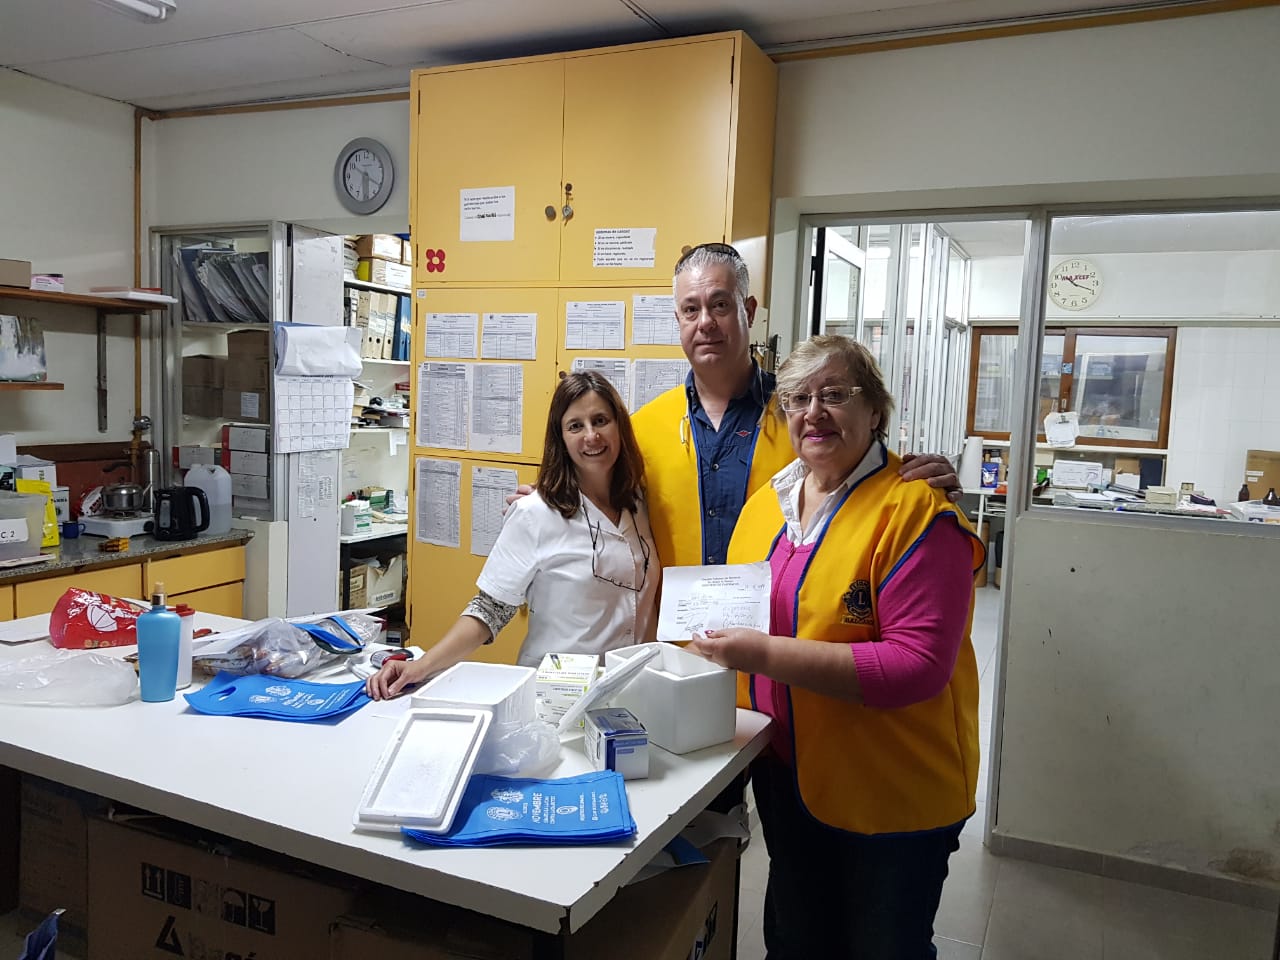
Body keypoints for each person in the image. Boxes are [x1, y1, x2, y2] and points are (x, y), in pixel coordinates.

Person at [688, 334, 984, 958]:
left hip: (892, 794)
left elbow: (916, 667)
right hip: (788, 778)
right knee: (796, 941)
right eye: (798, 398)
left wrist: (760, 655)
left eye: (835, 395)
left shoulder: (917, 511)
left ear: (875, 410)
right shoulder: (767, 506)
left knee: (884, 946)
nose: (813, 412)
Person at [631, 241, 960, 570]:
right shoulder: (642, 430)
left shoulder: (808, 419)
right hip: (673, 604)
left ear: (749, 311)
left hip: (796, 600)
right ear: (678, 319)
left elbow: (874, 482)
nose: (705, 322)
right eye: (691, 309)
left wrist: (923, 480)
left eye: (720, 305)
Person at [367, 371, 657, 699]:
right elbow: (490, 610)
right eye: (575, 426)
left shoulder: (638, 502)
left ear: (619, 425)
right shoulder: (535, 513)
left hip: (628, 690)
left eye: (600, 420)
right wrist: (420, 667)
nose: (591, 436)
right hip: (557, 695)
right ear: (560, 438)